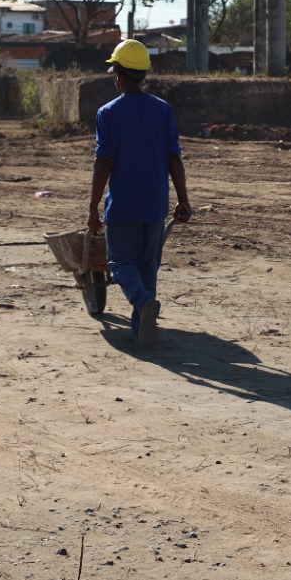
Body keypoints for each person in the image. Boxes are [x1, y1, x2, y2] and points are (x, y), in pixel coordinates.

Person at [87, 39, 192, 348]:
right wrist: (183, 199)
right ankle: (142, 330)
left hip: (124, 206)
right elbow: (174, 159)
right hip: (155, 205)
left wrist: (93, 207)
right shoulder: (162, 110)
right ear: (144, 75)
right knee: (148, 268)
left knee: (120, 262)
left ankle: (143, 302)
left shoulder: (108, 113)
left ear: (119, 76)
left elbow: (103, 163)